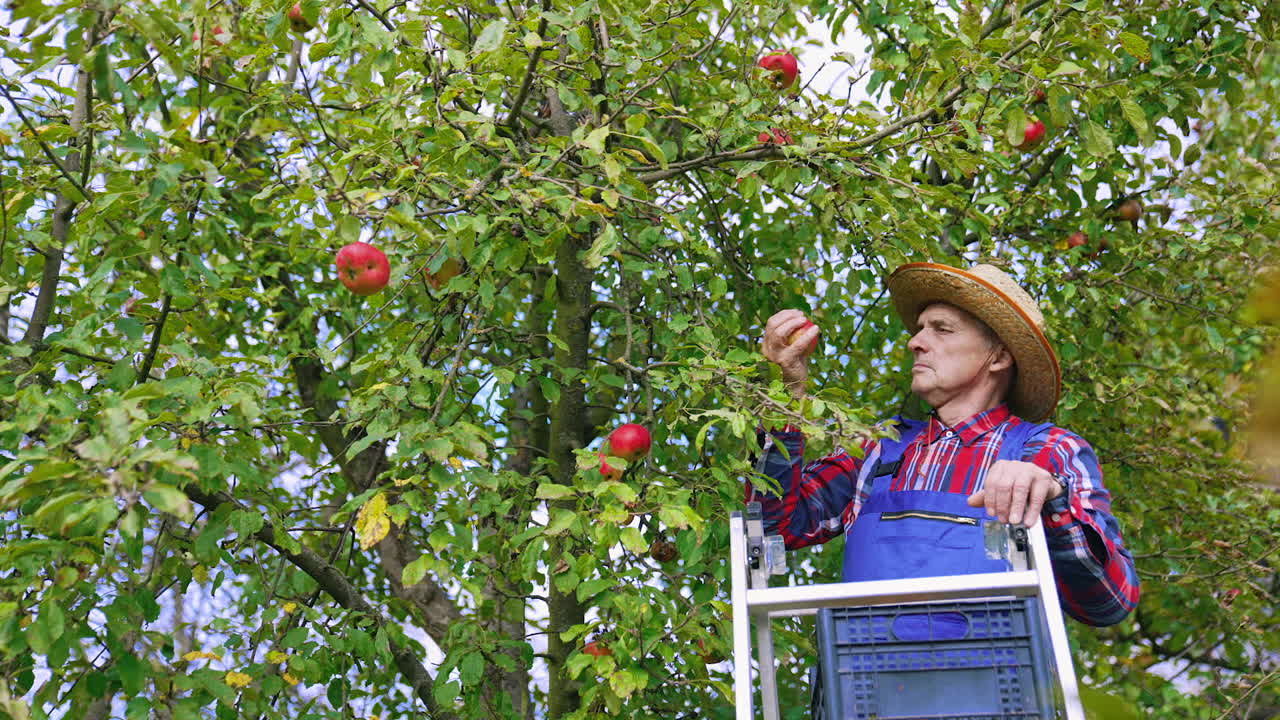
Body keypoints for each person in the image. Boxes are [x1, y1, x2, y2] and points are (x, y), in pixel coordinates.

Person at [747, 262, 1139, 626]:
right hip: (866, 690)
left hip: (997, 694)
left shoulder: (1051, 451)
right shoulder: (878, 447)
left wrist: (1050, 498)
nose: (915, 342)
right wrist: (785, 396)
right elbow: (771, 529)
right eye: (919, 329)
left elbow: (1109, 600)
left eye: (942, 329)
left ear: (999, 356)